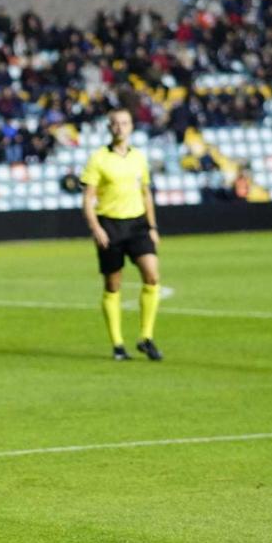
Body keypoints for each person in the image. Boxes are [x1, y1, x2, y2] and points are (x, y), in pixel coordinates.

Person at [81, 108, 163, 361]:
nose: (119, 127)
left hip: (138, 224)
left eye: (124, 123)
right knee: (113, 284)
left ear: (131, 127)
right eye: (115, 123)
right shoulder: (98, 159)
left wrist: (152, 226)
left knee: (151, 275)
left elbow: (146, 193)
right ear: (109, 127)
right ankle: (117, 344)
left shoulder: (139, 157)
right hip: (111, 225)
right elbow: (87, 199)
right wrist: (96, 228)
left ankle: (146, 338)